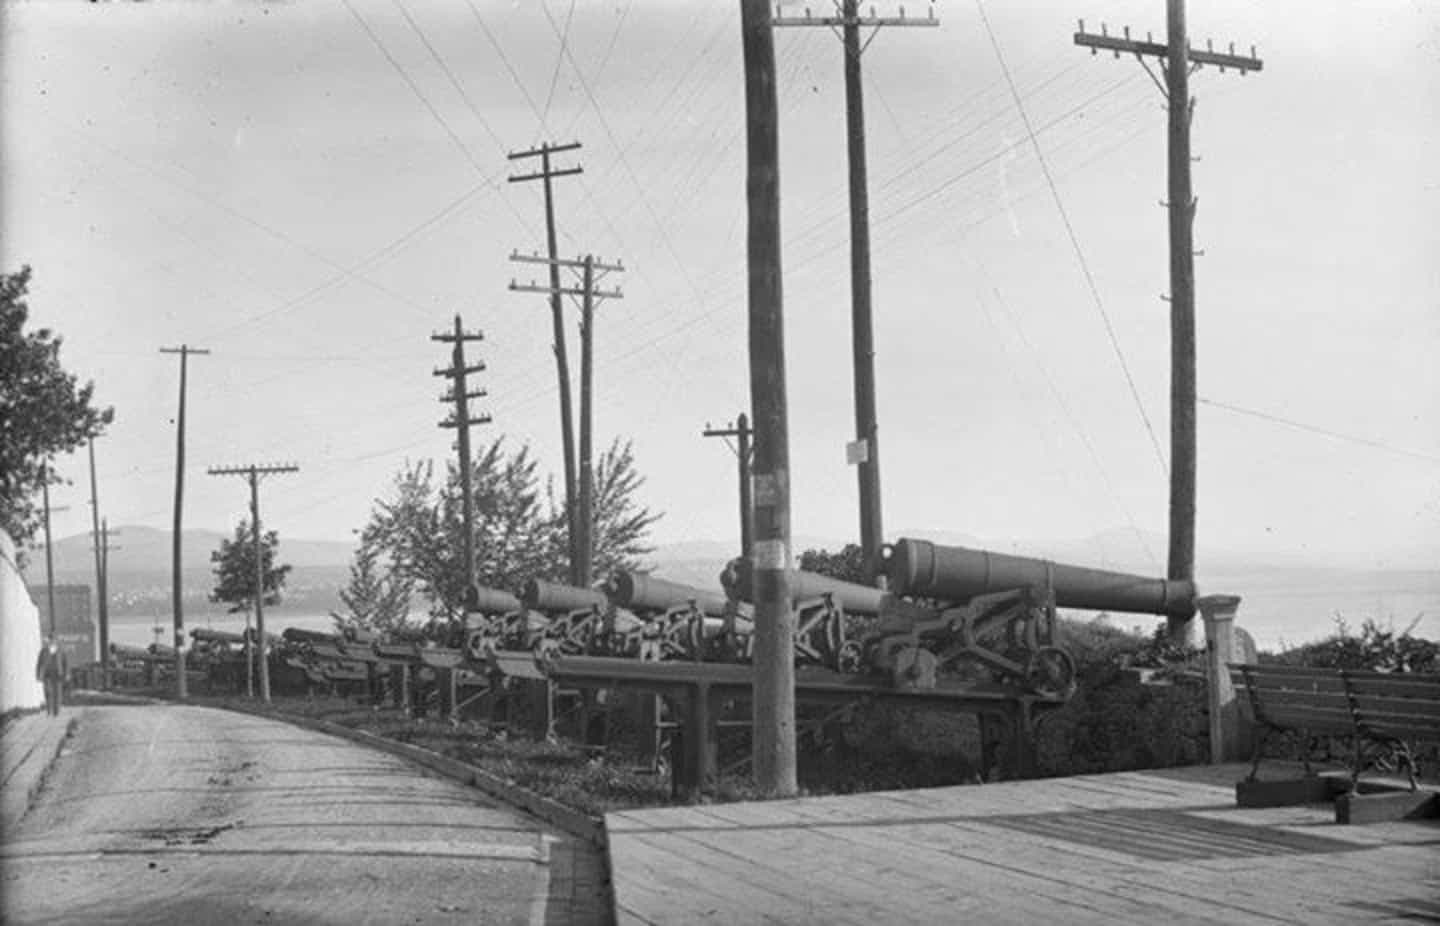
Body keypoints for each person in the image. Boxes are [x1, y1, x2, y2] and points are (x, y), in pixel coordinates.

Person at [35, 635, 69, 717]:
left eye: (54, 639)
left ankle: (56, 711)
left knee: (57, 693)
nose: (52, 641)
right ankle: (49, 711)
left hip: (58, 674)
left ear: (56, 640)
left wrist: (66, 674)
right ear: (48, 640)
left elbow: (65, 663)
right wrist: (38, 675)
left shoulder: (61, 650)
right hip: (47, 674)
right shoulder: (43, 651)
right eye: (51, 639)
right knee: (48, 692)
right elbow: (39, 663)